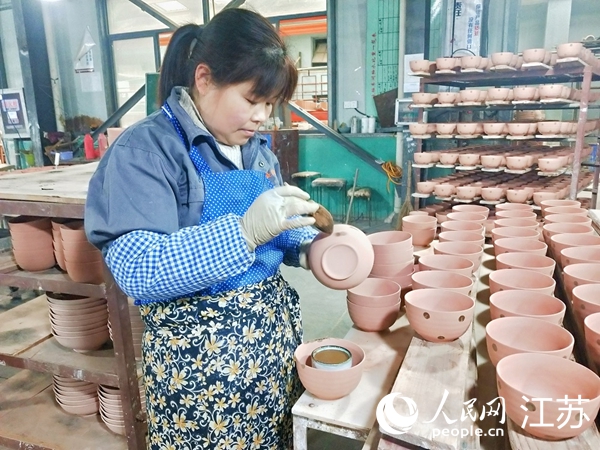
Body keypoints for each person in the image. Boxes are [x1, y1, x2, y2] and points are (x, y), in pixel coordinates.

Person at [84, 8, 321, 449]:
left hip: (270, 358)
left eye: (270, 104)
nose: (262, 117)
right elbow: (138, 269)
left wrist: (311, 248)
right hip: (200, 375)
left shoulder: (256, 150)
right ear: (205, 78)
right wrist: (243, 233)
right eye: (252, 99)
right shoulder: (147, 150)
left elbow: (277, 226)